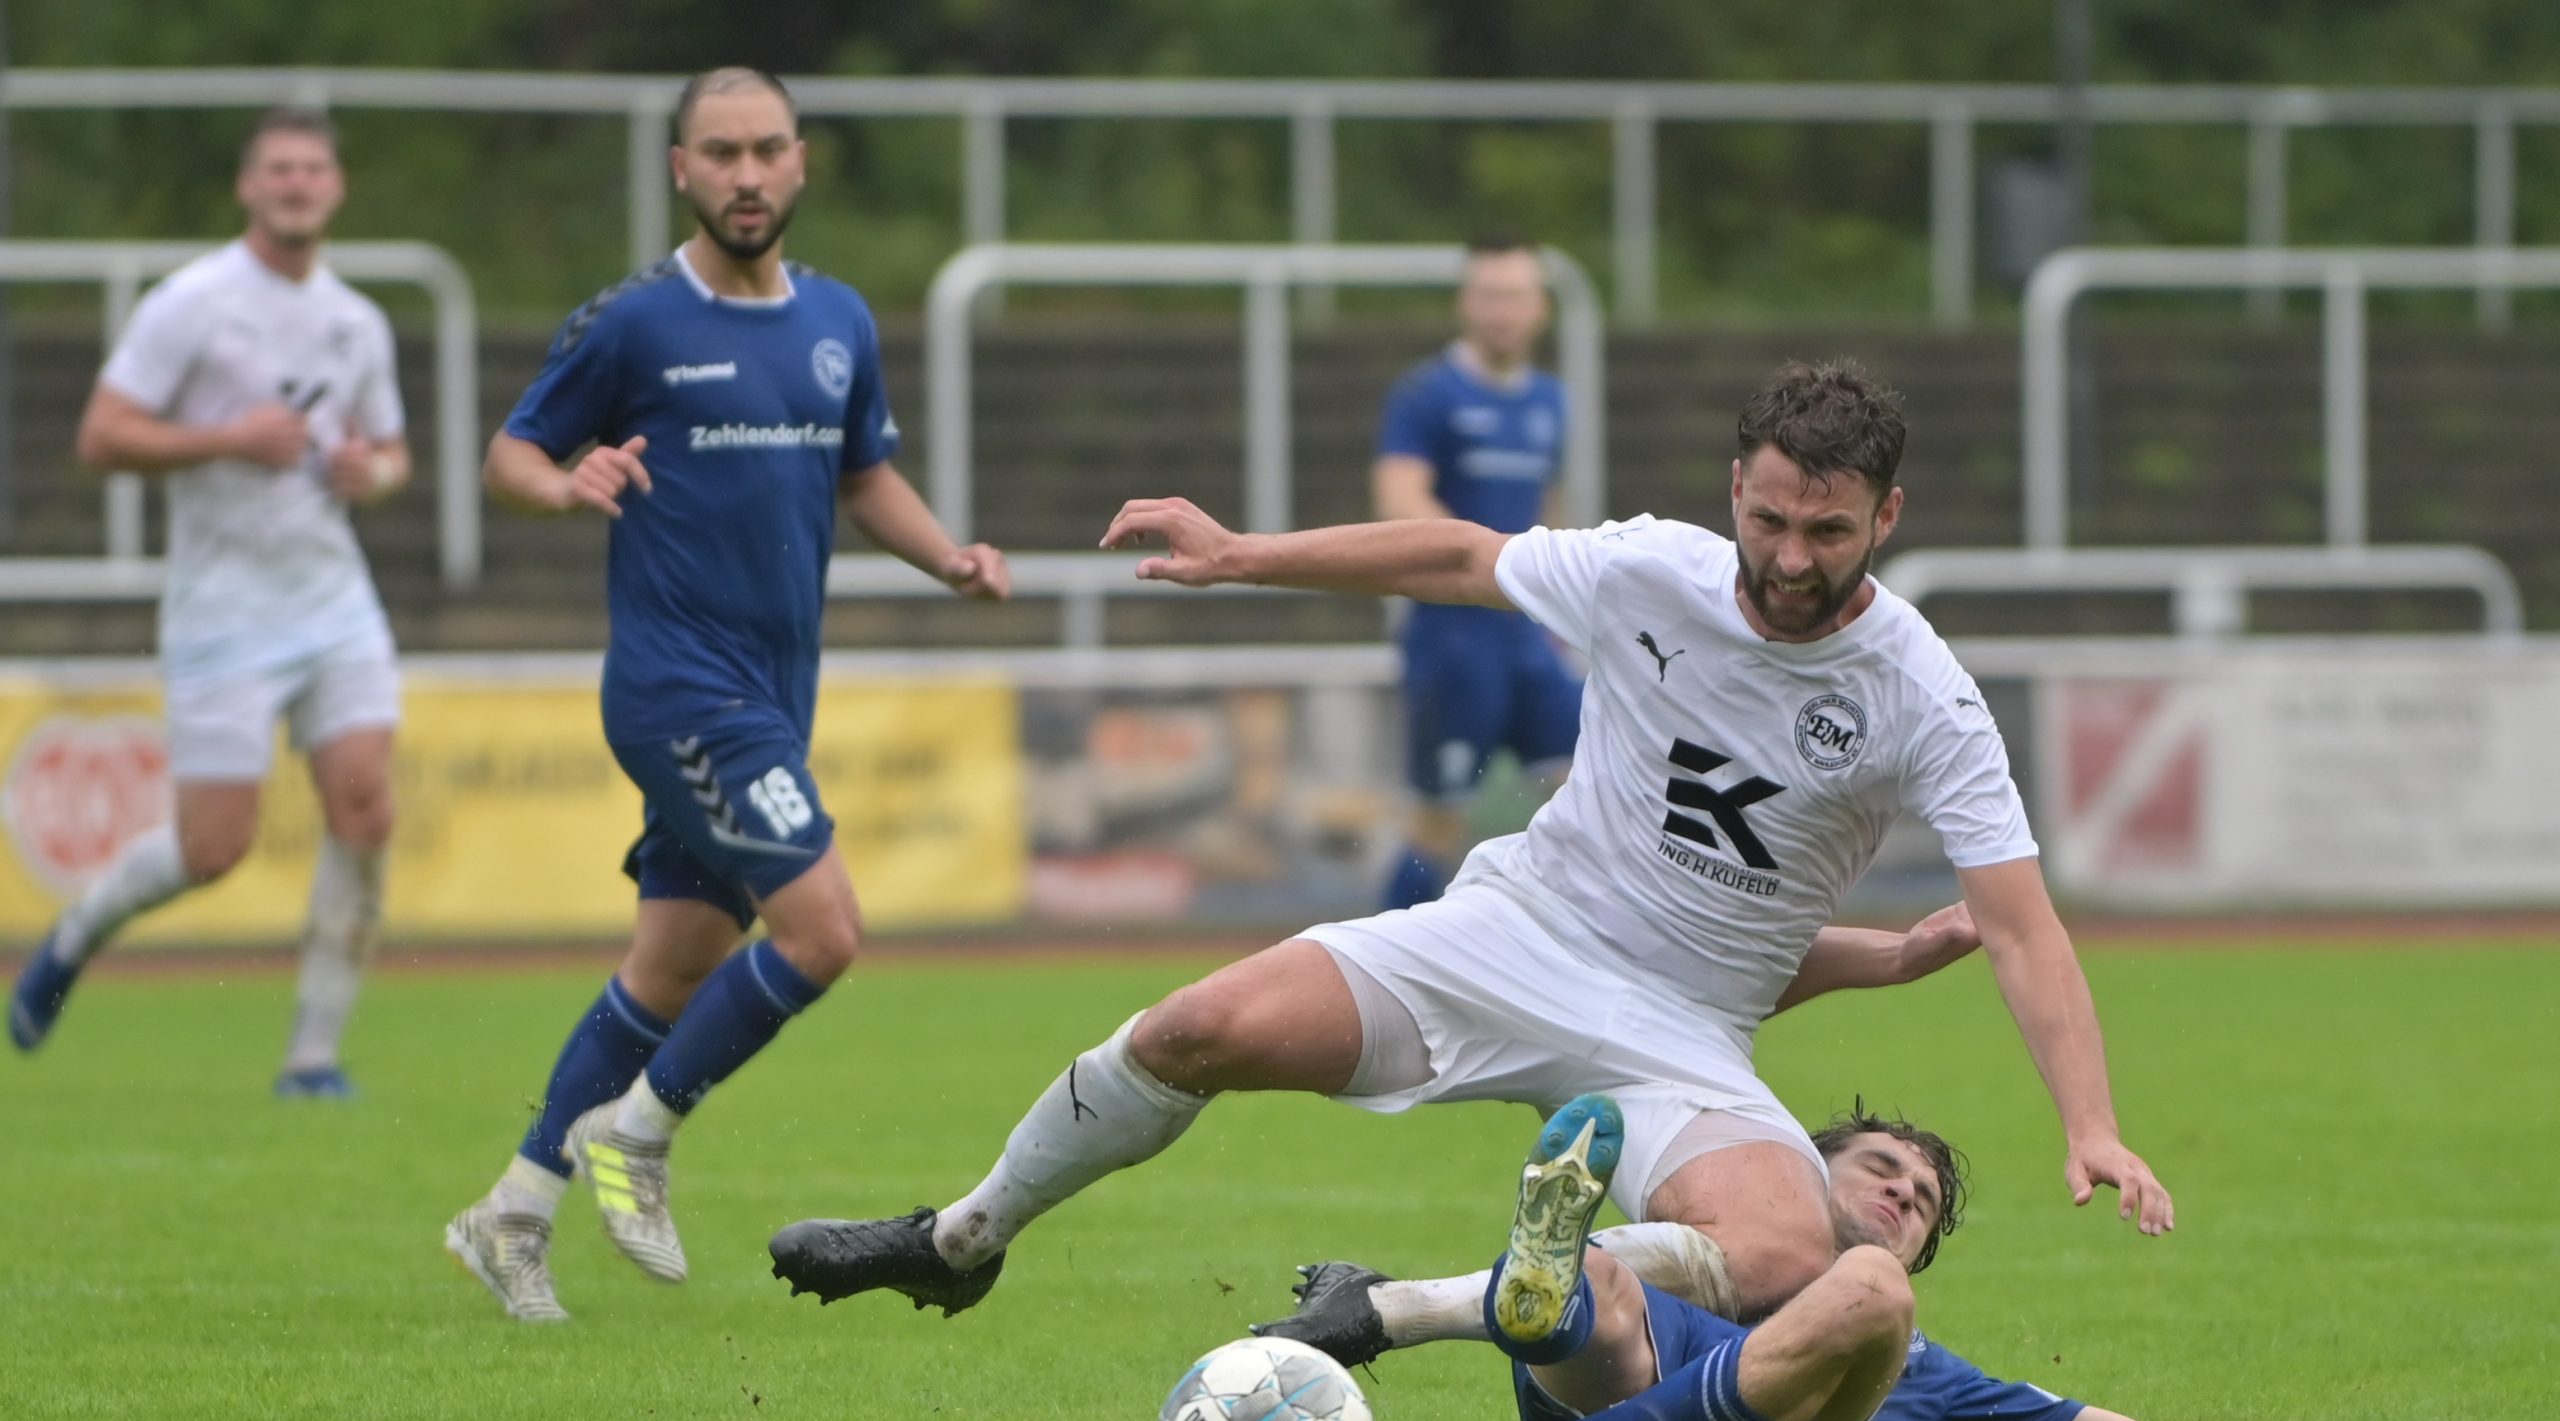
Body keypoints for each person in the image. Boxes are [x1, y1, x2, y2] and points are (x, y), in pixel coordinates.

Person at [767, 360, 2170, 1328]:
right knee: (1195, 1026)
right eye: (1767, 520)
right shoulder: (1650, 570)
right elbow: (1454, 557)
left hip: (1685, 1032)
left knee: (1793, 1248)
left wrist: (2091, 1120)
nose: (1791, 559)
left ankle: (1392, 1305)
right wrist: (1248, 552)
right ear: (1731, 487)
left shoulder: (1922, 693)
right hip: (1517, 932)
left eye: (1829, 531)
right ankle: (961, 1239)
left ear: (1889, 518)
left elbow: (2026, 924)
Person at [443, 67, 1009, 1322]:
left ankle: (512, 1214)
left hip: (769, 692)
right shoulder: (636, 323)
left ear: (800, 161)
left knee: (672, 965)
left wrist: (949, 557)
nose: (746, 175)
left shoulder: (840, 321)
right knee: (822, 934)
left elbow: (863, 476)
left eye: (765, 151)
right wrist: (563, 486)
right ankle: (636, 1134)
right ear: (680, 171)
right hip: (676, 686)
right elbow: (509, 453)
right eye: (720, 153)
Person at [1328, 1096, 2520, 1421]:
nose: (1904, 1193)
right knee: (1591, 1277)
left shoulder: (1922, 1365)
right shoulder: (1706, 1250)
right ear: (1804, 1168)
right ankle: (1540, 1286)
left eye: (1924, 1197)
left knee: (1861, 1291)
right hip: (1612, 1401)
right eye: (1879, 1170)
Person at [10, 109, 409, 1098]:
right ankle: (73, 939)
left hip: (333, 597)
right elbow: (103, 436)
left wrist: (375, 472)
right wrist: (223, 440)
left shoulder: (358, 320)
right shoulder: (190, 302)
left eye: (314, 168)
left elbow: (395, 453)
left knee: (366, 807)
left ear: (337, 188)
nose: (296, 183)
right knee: (213, 849)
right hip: (222, 608)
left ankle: (313, 1058)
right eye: (278, 168)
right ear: (247, 186)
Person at [1372, 232, 1580, 910]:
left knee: (1592, 789)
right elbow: (1400, 503)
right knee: (1439, 822)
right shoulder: (1427, 395)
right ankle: (1371, 981)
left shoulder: (1551, 401)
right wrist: (1489, 561)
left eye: (1515, 295)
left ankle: (1595, 968)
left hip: (1528, 637)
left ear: (1540, 307)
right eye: (1489, 294)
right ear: (1465, 303)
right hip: (1452, 640)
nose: (1502, 311)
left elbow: (1548, 509)